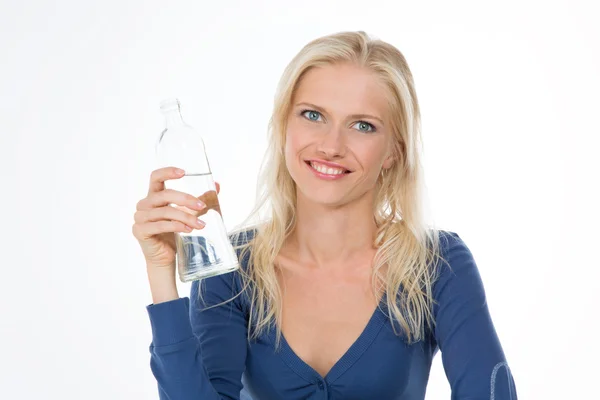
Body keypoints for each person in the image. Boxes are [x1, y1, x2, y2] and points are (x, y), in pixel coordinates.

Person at [132, 31, 518, 400]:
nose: (331, 146)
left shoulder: (437, 264)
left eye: (362, 125)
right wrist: (161, 275)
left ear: (394, 152)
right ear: (284, 126)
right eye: (313, 115)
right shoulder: (233, 269)